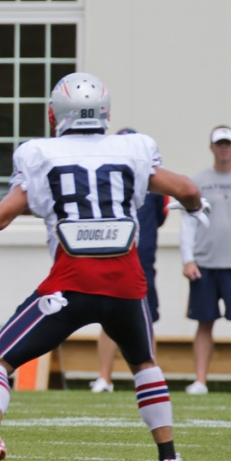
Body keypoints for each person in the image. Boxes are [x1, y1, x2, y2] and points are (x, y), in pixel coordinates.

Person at [0, 73, 205, 461]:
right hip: (126, 283)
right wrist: (195, 206)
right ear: (104, 112)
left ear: (56, 114)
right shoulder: (131, 149)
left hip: (70, 283)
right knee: (144, 366)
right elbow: (187, 189)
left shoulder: (41, 154)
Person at [90, 127, 168, 393]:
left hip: (142, 259)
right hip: (111, 255)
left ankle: (149, 377)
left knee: (146, 319)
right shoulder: (103, 176)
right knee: (108, 317)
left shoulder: (153, 182)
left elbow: (160, 216)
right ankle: (105, 377)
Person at [179, 125, 231, 395]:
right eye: (219, 143)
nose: (224, 148)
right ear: (211, 147)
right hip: (204, 264)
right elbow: (187, 223)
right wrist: (187, 259)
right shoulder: (198, 182)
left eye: (228, 143)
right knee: (204, 322)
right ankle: (200, 381)